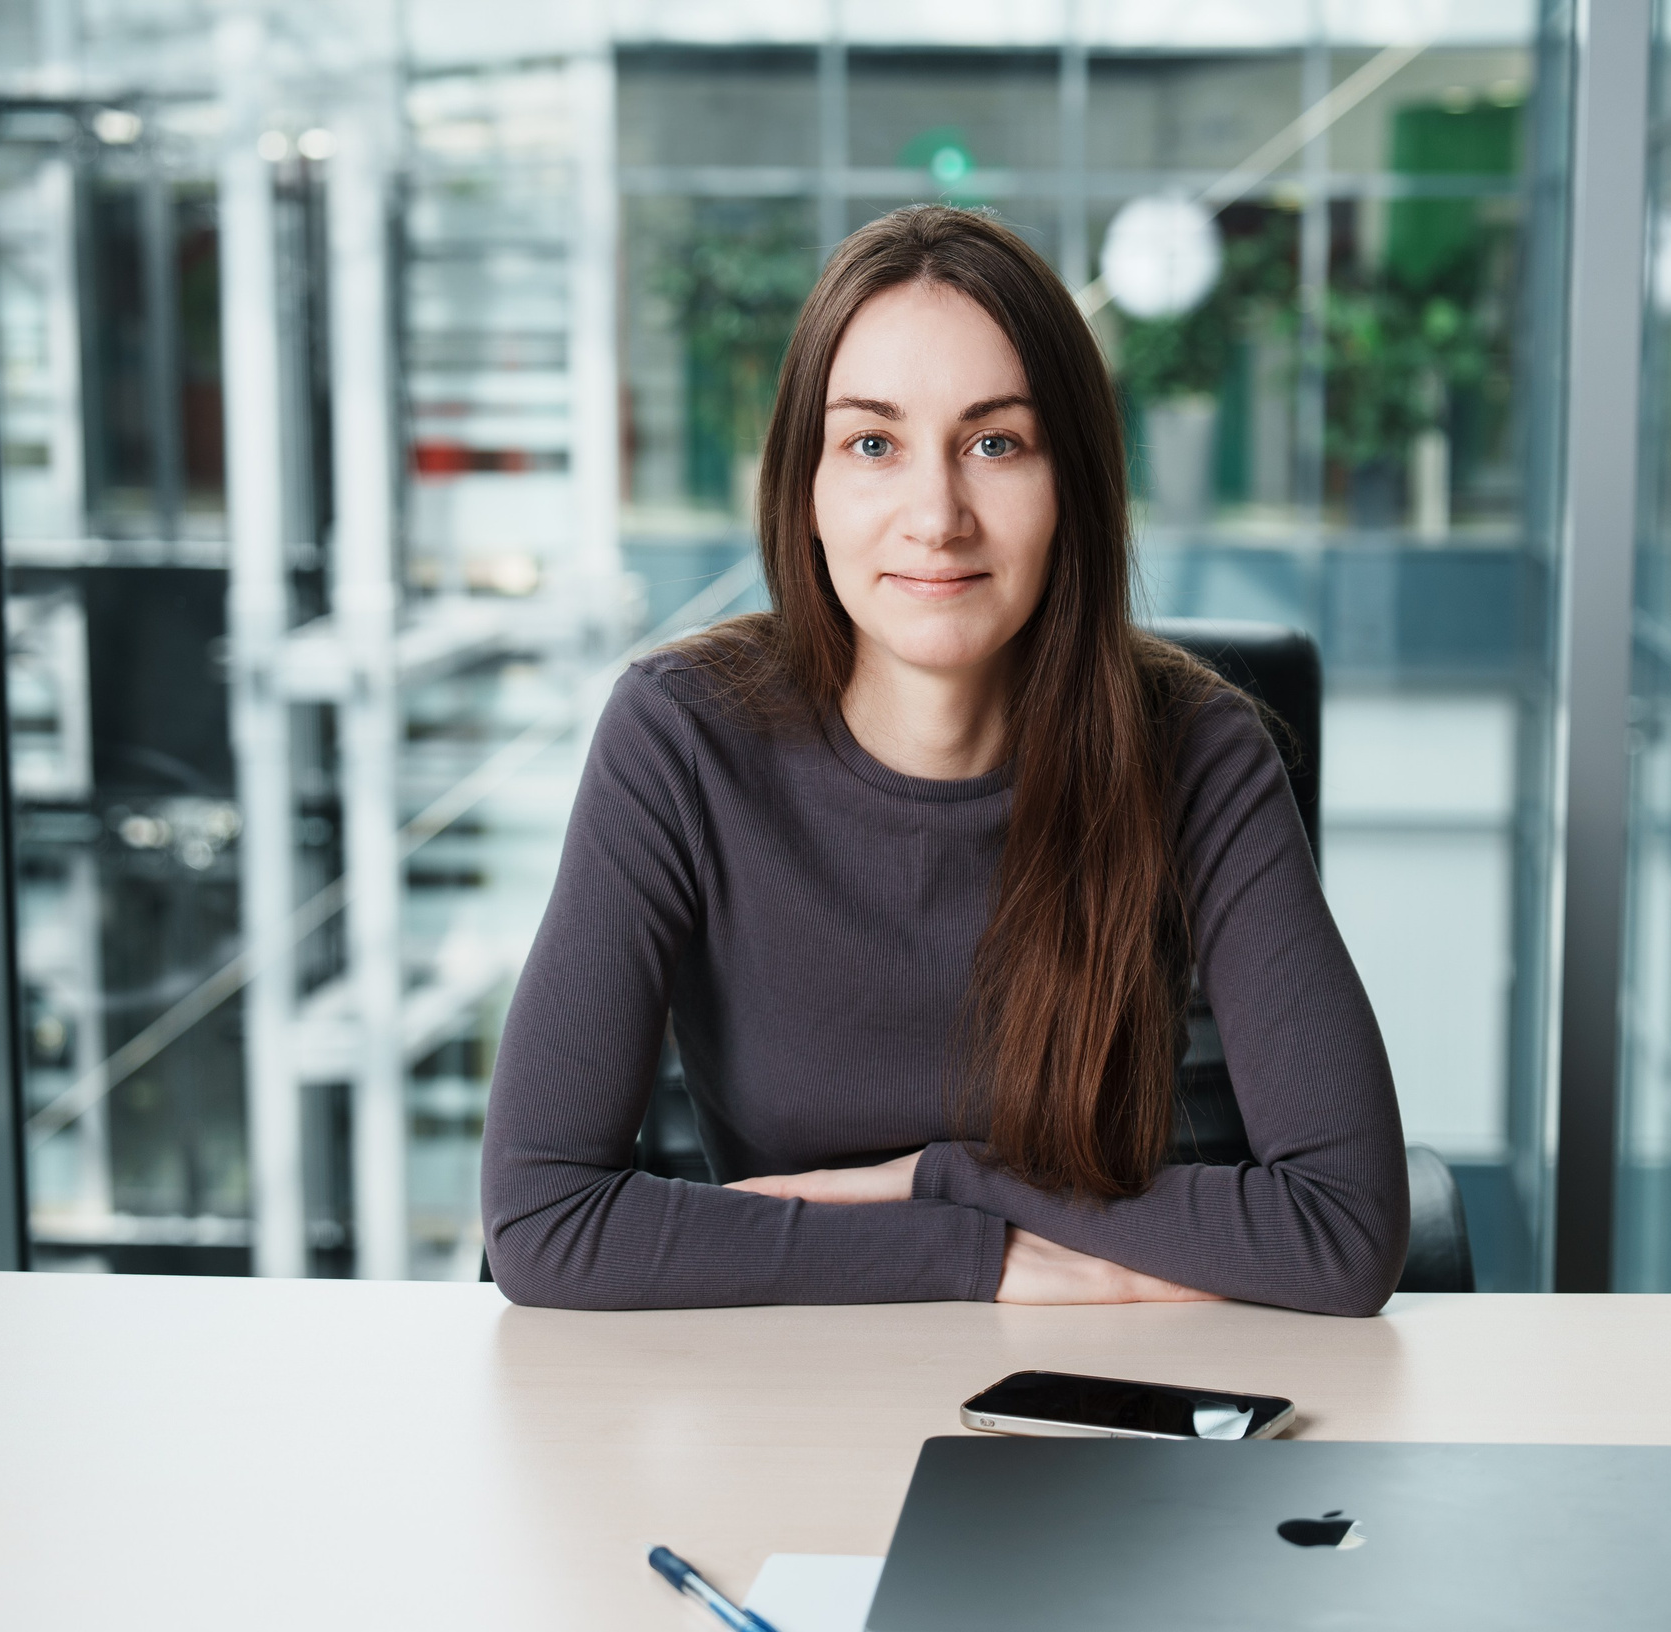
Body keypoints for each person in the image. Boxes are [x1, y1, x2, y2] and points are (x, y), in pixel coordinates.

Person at [480, 205, 1407, 1314]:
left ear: (1074, 487)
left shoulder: (1197, 750)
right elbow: (542, 1221)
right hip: (788, 1393)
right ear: (806, 490)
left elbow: (1344, 1226)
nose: (936, 515)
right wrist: (984, 1257)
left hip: (1103, 1390)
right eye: (872, 444)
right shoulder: (680, 736)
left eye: (995, 443)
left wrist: (940, 1179)